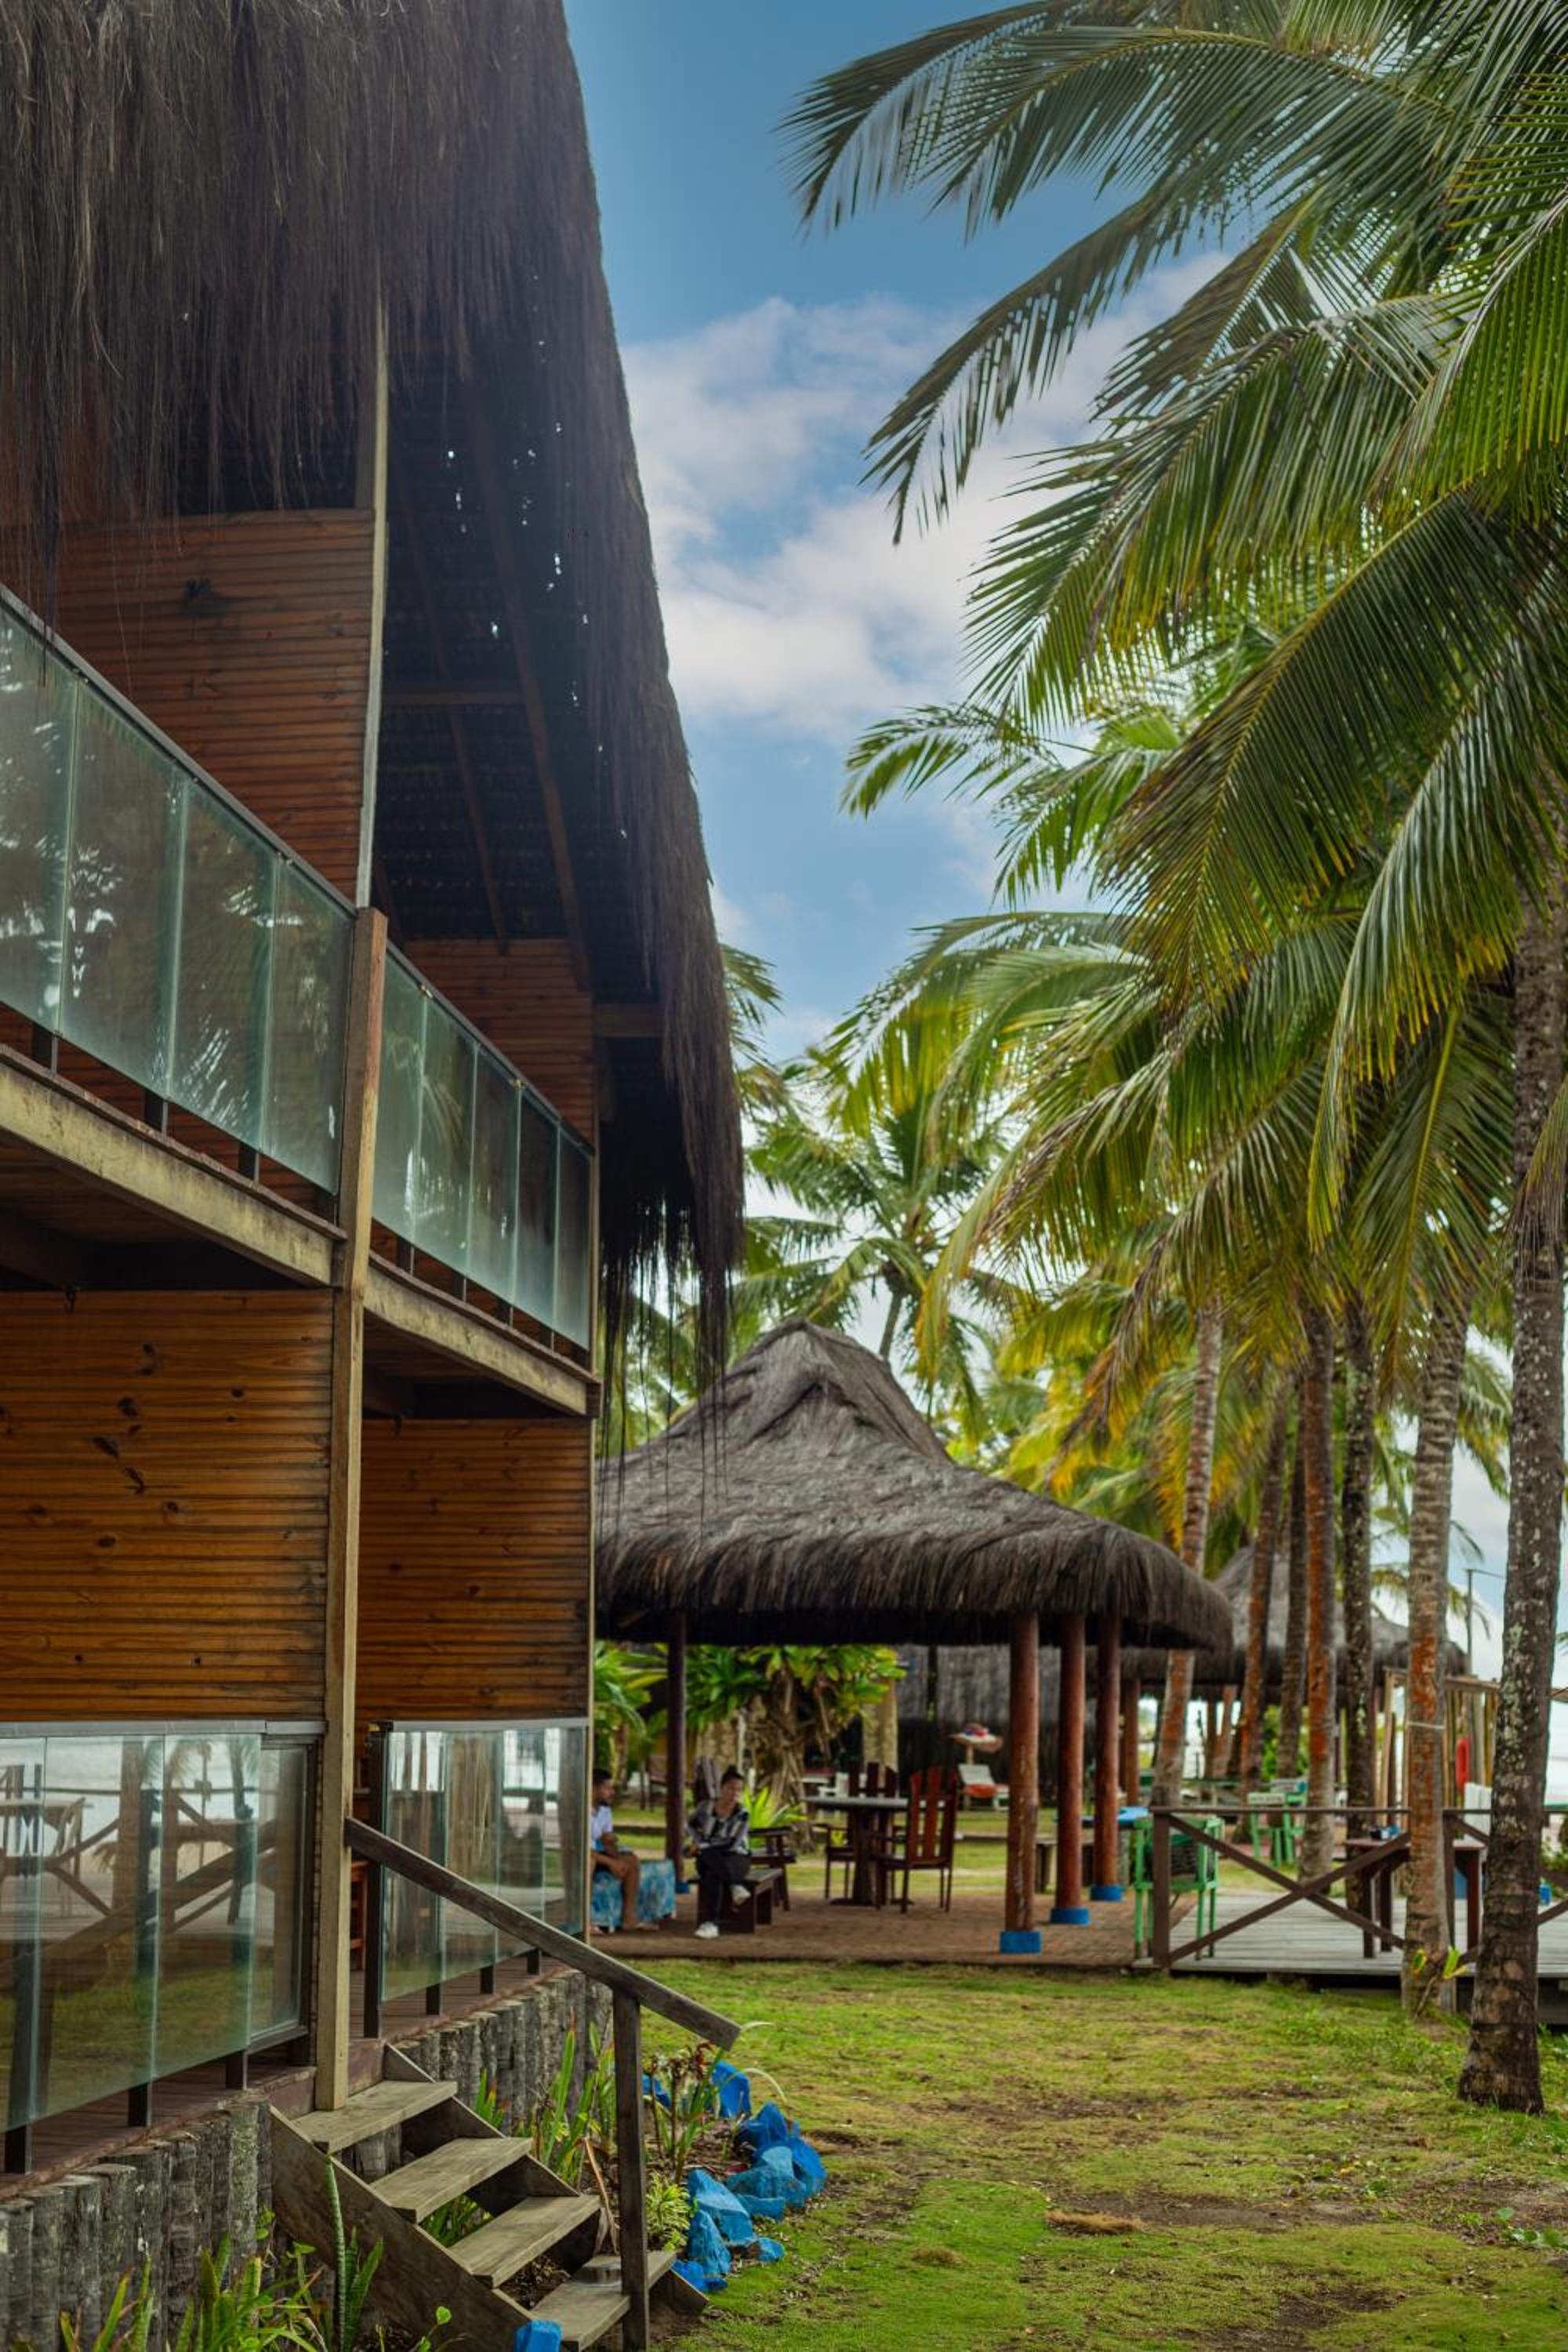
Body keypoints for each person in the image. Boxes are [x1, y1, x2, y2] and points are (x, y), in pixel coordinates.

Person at [688, 1766, 751, 1940]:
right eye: (731, 1788)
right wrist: (702, 1843)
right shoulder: (705, 1807)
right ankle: (735, 1886)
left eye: (739, 1790)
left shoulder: (742, 1813)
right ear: (721, 1788)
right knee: (709, 1854)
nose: (734, 1793)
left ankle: (711, 1924)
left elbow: (733, 1843)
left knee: (712, 1872)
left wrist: (705, 1845)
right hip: (710, 1857)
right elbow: (691, 1825)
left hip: (736, 1858)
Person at [590, 1768, 640, 1933]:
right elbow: (582, 1849)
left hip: (598, 1855)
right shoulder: (582, 1810)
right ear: (594, 1788)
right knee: (589, 1862)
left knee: (631, 1861)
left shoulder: (604, 1811)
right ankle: (587, 1920)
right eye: (607, 1788)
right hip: (584, 1856)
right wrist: (611, 1862)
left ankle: (628, 1918)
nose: (612, 1792)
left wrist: (618, 1860)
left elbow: (607, 1841)